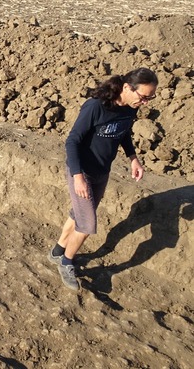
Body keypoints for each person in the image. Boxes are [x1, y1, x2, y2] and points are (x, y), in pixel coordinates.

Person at [48, 67, 158, 291]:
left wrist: (133, 158)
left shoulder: (129, 108)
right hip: (82, 171)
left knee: (79, 213)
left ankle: (57, 250)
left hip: (102, 171)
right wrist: (77, 177)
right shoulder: (95, 107)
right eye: (143, 96)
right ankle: (66, 262)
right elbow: (72, 141)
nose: (145, 102)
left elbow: (124, 132)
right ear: (127, 88)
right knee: (87, 224)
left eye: (150, 97)